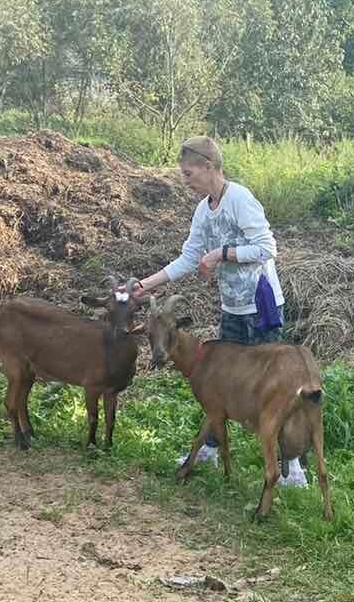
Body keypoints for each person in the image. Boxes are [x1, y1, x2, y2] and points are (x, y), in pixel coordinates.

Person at [127, 135, 306, 487]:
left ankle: (293, 465)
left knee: (275, 386)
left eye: (189, 173)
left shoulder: (239, 199)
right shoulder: (202, 210)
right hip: (233, 308)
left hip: (261, 306)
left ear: (209, 167)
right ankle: (210, 448)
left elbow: (267, 247)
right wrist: (146, 285)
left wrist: (221, 254)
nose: (185, 180)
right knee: (223, 383)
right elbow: (189, 257)